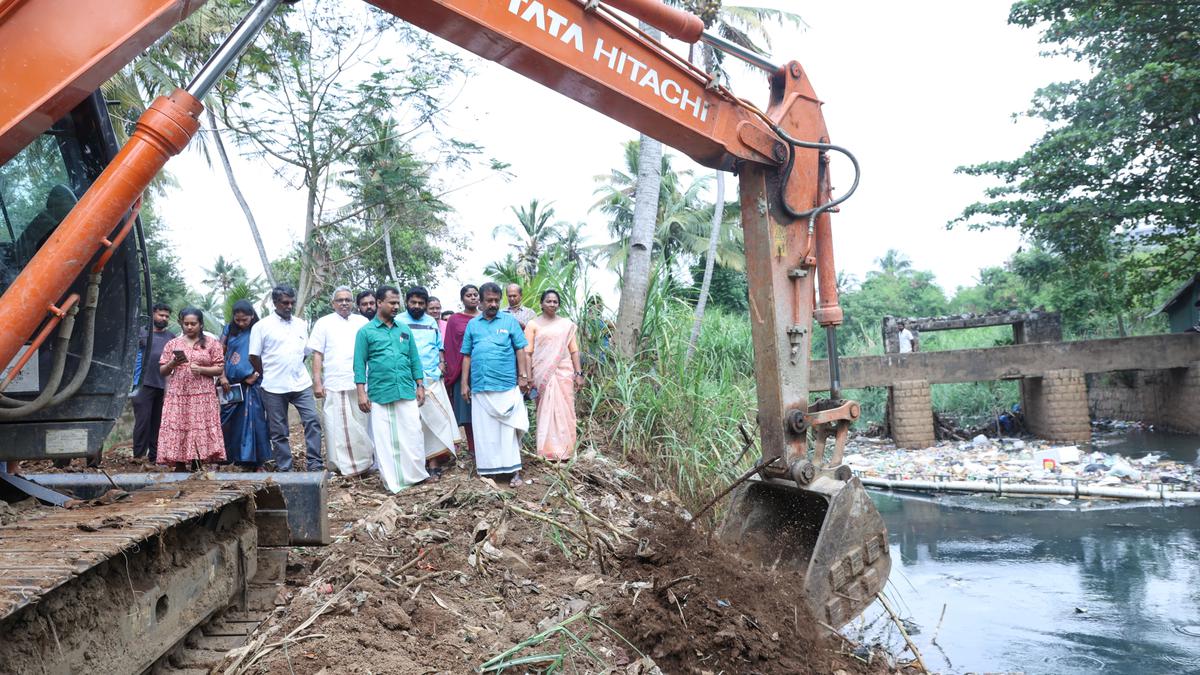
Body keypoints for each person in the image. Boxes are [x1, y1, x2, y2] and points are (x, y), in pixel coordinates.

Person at [354, 285, 427, 492]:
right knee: (384, 438)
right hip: (380, 391)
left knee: (412, 433)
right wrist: (361, 392)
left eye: (397, 303)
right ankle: (392, 482)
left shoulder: (404, 329)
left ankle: (416, 476)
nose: (396, 307)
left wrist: (420, 384)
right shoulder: (365, 332)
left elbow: (414, 359)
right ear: (379, 303)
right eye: (392, 303)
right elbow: (359, 364)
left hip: (405, 388)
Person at [462, 282, 530, 487]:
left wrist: (524, 376)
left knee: (508, 431)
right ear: (481, 302)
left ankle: (514, 472)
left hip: (507, 384)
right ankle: (488, 472)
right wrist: (464, 384)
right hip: (481, 387)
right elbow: (466, 355)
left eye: (496, 300)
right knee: (485, 432)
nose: (493, 304)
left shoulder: (509, 321)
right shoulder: (473, 325)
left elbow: (521, 349)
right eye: (488, 300)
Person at [249, 285, 324, 472]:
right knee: (278, 431)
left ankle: (315, 464)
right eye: (285, 303)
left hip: (300, 383)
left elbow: (304, 352)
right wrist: (267, 373)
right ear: (275, 303)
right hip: (273, 386)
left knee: (312, 420)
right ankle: (285, 469)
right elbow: (253, 356)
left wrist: (293, 366)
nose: (289, 306)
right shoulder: (261, 326)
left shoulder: (300, 324)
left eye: (292, 302)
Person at [309, 286, 373, 476]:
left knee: (361, 424)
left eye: (347, 300)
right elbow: (317, 354)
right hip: (335, 382)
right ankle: (340, 467)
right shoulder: (323, 323)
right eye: (340, 300)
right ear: (333, 303)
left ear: (352, 303)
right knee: (335, 425)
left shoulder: (362, 321)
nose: (344, 303)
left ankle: (363, 464)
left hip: (360, 382)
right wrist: (317, 382)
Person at [401, 286, 460, 479]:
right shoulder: (399, 321)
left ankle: (434, 462)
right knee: (414, 423)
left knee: (435, 421)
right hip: (407, 379)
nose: (417, 306)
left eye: (421, 303)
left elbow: (438, 346)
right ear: (407, 303)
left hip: (433, 377)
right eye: (413, 303)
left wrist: (442, 363)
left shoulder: (431, 322)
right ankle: (416, 463)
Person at [157, 308, 226, 471]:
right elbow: (162, 371)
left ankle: (197, 462)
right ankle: (179, 464)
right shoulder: (173, 344)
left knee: (198, 426)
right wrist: (173, 363)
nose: (189, 327)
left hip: (202, 394)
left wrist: (202, 370)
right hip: (178, 393)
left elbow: (219, 368)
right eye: (185, 323)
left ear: (200, 324)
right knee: (179, 424)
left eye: (193, 324)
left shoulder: (211, 343)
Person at [524, 290, 584, 461]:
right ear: (541, 303)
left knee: (565, 410)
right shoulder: (533, 325)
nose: (552, 304)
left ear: (558, 304)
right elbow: (528, 353)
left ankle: (565, 450)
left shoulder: (567, 324)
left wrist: (579, 373)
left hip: (564, 372)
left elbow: (574, 351)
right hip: (542, 374)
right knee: (545, 411)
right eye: (548, 301)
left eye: (555, 301)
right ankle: (547, 451)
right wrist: (528, 377)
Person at [218, 301, 270, 469]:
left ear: (252, 316)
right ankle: (228, 458)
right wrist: (222, 376)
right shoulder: (228, 330)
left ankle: (256, 461)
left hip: (253, 383)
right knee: (228, 421)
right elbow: (219, 354)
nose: (241, 323)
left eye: (245, 320)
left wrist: (255, 374)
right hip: (230, 385)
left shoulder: (259, 329)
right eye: (238, 320)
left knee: (255, 420)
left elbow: (266, 354)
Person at [131, 302, 175, 463]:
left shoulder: (171, 338)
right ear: (153, 314)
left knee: (158, 422)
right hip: (143, 384)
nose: (164, 318)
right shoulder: (142, 334)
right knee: (143, 421)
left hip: (164, 385)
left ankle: (155, 456)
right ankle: (138, 456)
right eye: (161, 315)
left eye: (166, 316)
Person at [444, 284, 480, 455]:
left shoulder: (486, 317)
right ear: (462, 299)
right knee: (467, 411)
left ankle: (486, 446)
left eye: (475, 294)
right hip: (461, 370)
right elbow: (449, 346)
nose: (473, 297)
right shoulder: (454, 320)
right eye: (468, 295)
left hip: (483, 369)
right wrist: (452, 373)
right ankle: (473, 448)